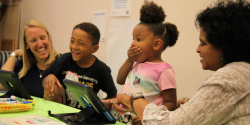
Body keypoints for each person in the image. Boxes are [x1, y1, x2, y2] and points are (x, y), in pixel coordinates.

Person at [112, 0, 250, 124]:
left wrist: (133, 100)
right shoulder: (241, 73)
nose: (197, 49)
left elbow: (169, 121)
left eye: (203, 43)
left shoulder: (228, 79)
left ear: (223, 46)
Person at [106, 1, 179, 125]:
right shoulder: (135, 64)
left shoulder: (164, 70)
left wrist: (148, 117)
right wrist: (129, 60)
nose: (133, 43)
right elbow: (120, 79)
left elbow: (171, 103)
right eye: (133, 39)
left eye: (138, 39)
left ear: (156, 44)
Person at [42, 22, 117, 109]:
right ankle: (56, 117)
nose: (74, 46)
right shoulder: (65, 59)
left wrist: (100, 109)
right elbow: (44, 79)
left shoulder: (101, 69)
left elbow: (112, 96)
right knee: (51, 85)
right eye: (72, 41)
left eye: (80, 43)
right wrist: (49, 77)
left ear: (94, 48)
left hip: (86, 114)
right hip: (62, 108)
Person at [0, 20, 60, 98]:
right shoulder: (24, 64)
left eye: (42, 38)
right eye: (33, 40)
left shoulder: (62, 62)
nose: (40, 44)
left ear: (48, 38)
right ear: (26, 44)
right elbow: (2, 85)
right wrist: (15, 54)